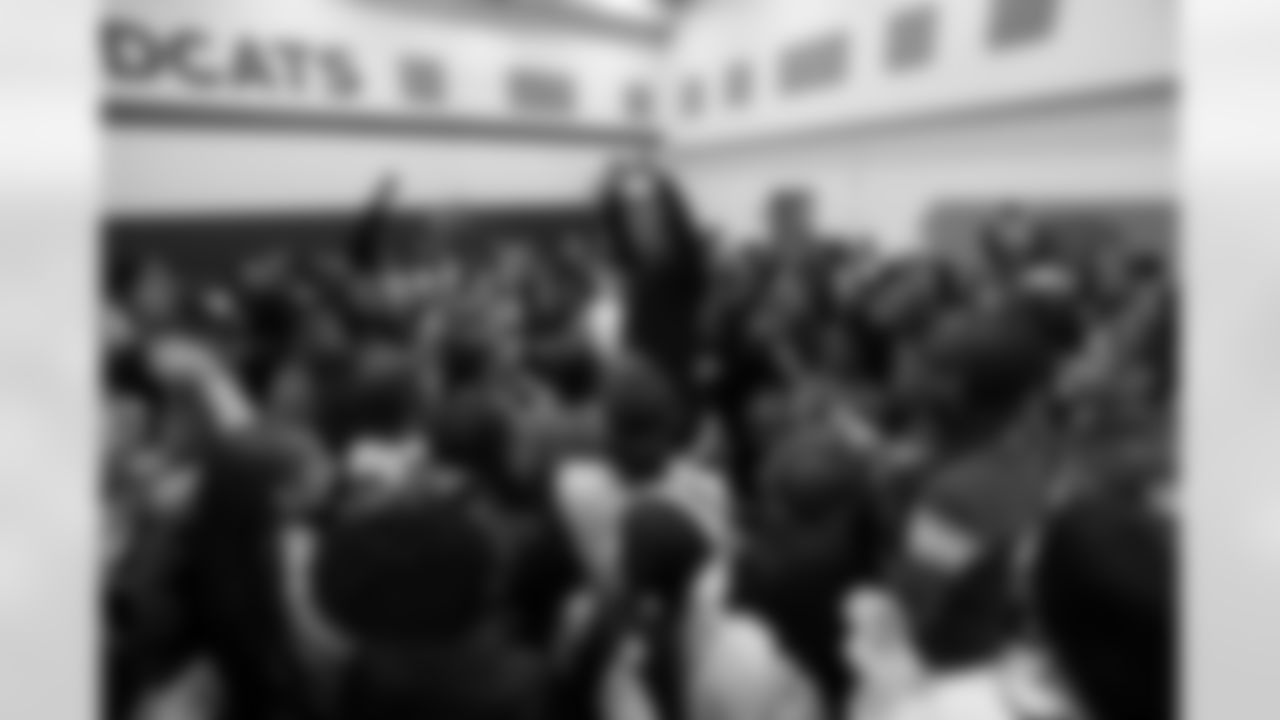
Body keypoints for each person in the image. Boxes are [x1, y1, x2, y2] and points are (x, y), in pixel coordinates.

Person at [597, 160, 712, 399]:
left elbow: (679, 217)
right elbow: (614, 221)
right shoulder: (633, 261)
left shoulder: (684, 262)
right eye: (636, 218)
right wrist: (614, 180)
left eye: (650, 215)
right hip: (642, 361)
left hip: (679, 358)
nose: (641, 224)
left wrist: (660, 179)